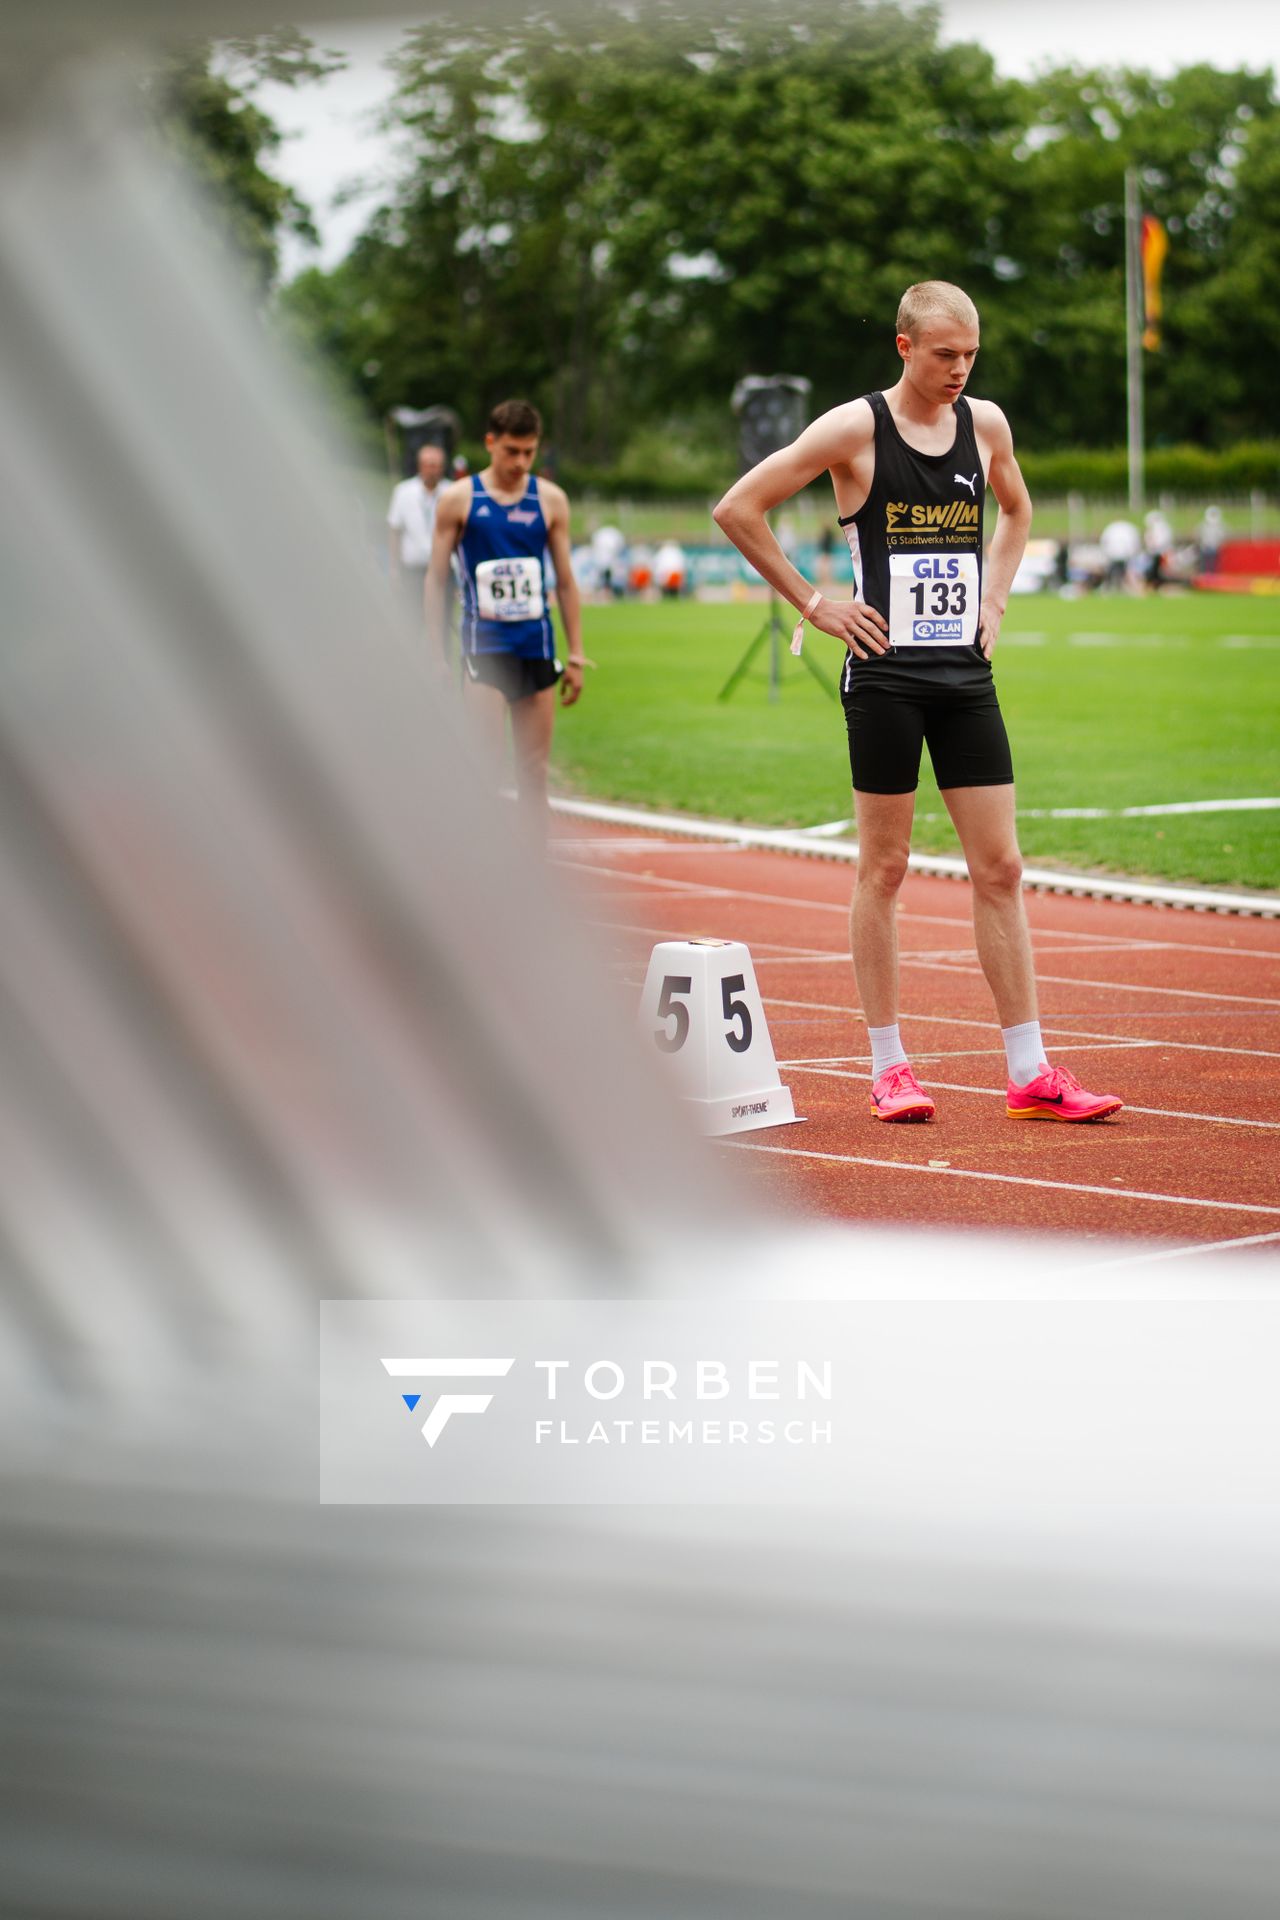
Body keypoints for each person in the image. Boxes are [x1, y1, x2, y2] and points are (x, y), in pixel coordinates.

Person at [713, 280, 1122, 1125]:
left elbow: (1017, 509)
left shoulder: (987, 424)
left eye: (970, 356)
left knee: (1001, 868)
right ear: (904, 347)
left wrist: (996, 598)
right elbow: (738, 508)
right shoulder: (853, 428)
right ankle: (890, 1066)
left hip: (965, 676)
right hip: (887, 676)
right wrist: (813, 603)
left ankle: (1029, 1070)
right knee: (886, 868)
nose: (959, 372)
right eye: (944, 356)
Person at [426, 398, 586, 815]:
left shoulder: (550, 500)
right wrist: (434, 654)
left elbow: (566, 583)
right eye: (511, 451)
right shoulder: (459, 500)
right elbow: (435, 579)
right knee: (487, 771)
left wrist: (578, 654)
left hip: (536, 646)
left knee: (534, 775)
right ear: (490, 443)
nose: (520, 462)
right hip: (486, 649)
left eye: (529, 452)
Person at [388, 442, 447, 633]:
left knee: (441, 625)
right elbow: (395, 531)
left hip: (443, 572)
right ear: (420, 466)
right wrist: (394, 568)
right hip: (412, 570)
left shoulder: (451, 492)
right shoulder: (404, 491)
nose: (433, 470)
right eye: (429, 465)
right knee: (411, 623)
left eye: (437, 465)